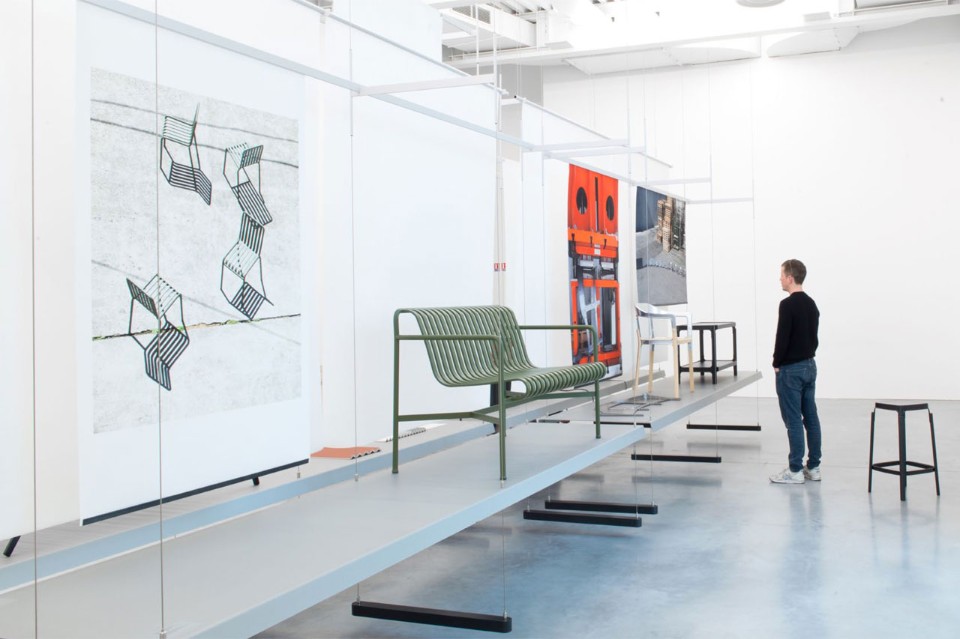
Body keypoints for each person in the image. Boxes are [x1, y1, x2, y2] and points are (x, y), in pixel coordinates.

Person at [769, 259, 822, 485]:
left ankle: (795, 470)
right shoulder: (811, 304)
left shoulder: (787, 305)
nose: (780, 279)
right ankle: (814, 467)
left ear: (790, 278)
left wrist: (777, 362)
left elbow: (782, 338)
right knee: (811, 418)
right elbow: (814, 338)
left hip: (791, 369)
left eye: (782, 275)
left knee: (793, 420)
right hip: (810, 366)